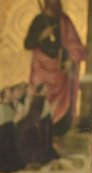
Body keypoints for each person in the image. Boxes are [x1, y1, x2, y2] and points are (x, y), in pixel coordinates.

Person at [24, 0, 86, 142]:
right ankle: (37, 137)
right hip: (41, 67)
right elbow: (28, 43)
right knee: (39, 100)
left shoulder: (64, 21)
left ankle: (57, 134)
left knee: (62, 104)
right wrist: (42, 35)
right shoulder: (39, 20)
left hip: (60, 70)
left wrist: (71, 60)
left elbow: (75, 45)